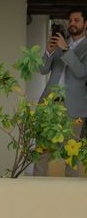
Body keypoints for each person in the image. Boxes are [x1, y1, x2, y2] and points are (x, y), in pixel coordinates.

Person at [36, 9, 87, 177]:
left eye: (77, 20)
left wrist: (65, 50)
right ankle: (36, 190)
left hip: (74, 106)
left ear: (85, 24)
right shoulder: (60, 43)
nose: (72, 23)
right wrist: (49, 51)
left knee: (71, 154)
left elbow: (81, 72)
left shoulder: (70, 47)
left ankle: (71, 197)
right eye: (70, 20)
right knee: (43, 150)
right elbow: (43, 69)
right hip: (50, 103)